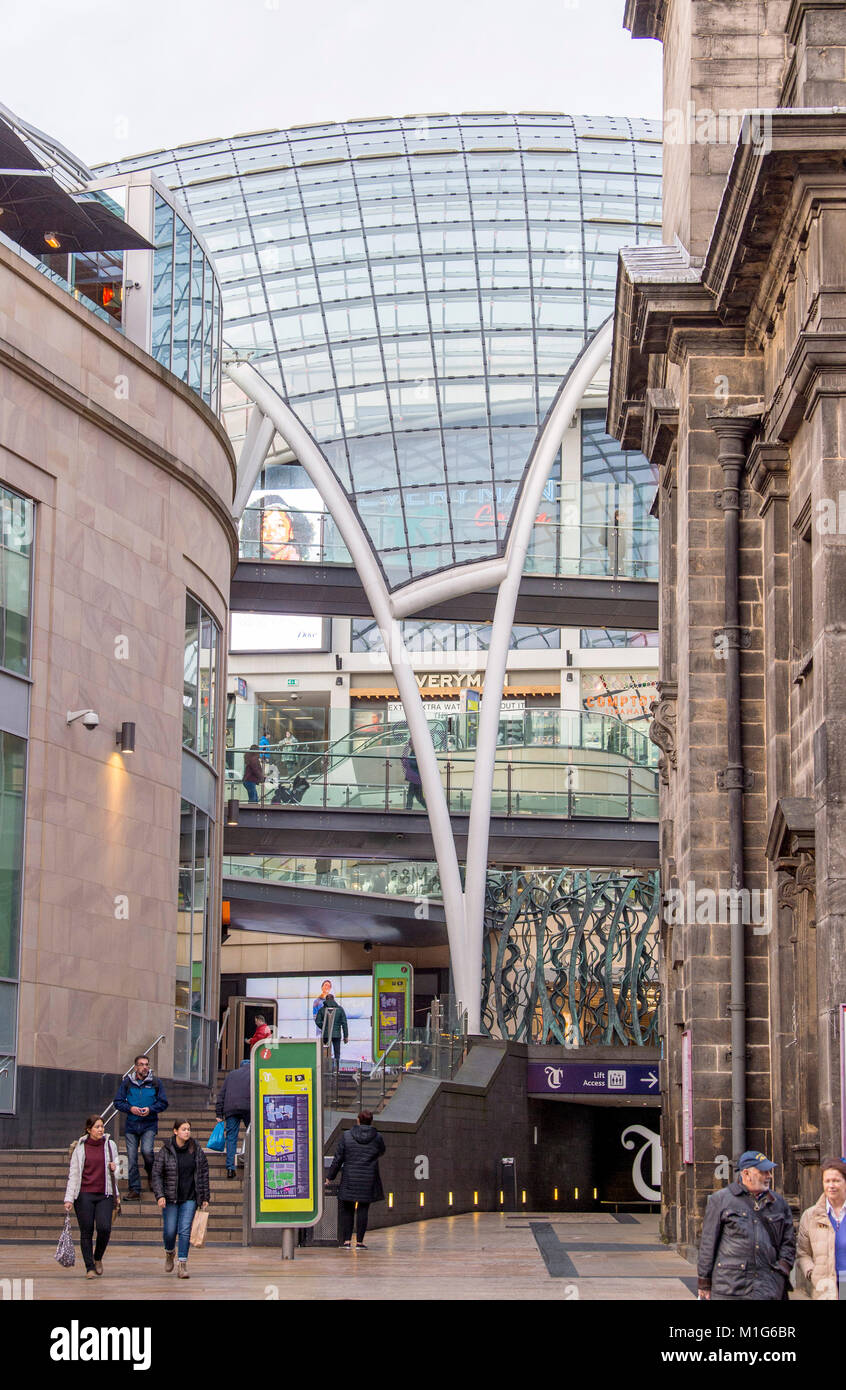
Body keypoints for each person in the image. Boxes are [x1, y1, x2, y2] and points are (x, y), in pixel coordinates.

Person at [697, 1150, 796, 1301]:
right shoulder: (721, 1200)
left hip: (768, 1286)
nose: (769, 1176)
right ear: (746, 1174)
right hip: (730, 1287)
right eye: (763, 1171)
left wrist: (783, 1268)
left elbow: (788, 1241)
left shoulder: (779, 1203)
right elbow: (708, 1243)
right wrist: (704, 1281)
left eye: (769, 1171)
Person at [152, 1119, 210, 1279]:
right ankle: (169, 1252)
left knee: (184, 1230)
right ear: (175, 1131)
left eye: (188, 1129)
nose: (187, 1132)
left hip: (190, 1197)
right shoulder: (166, 1150)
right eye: (184, 1129)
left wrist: (205, 1196)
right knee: (170, 1231)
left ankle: (182, 1264)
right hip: (170, 1198)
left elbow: (203, 1172)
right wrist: (160, 1195)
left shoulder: (195, 1148)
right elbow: (156, 1174)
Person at [63, 1115, 120, 1278]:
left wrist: (115, 1168)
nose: (101, 1129)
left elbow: (118, 1171)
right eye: (97, 1127)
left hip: (105, 1194)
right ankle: (89, 1267)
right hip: (84, 1195)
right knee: (86, 1231)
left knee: (104, 1228)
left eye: (102, 1126)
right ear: (89, 1130)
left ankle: (98, 1257)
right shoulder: (80, 1148)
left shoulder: (110, 1145)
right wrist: (68, 1198)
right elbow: (74, 1174)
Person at [326, 1109, 385, 1250]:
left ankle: (347, 1241)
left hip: (350, 1178)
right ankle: (359, 1242)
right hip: (368, 1178)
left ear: (358, 1120)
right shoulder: (377, 1137)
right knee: (363, 1210)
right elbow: (381, 1151)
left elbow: (338, 1158)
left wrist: (330, 1176)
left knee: (348, 1209)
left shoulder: (347, 1136)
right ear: (371, 1121)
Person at [113, 1054, 168, 1201]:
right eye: (142, 1064)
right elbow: (117, 1102)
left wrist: (151, 1109)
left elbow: (163, 1103)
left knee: (147, 1151)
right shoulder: (127, 1082)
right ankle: (134, 1189)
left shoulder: (156, 1082)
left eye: (147, 1064)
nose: (145, 1067)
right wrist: (130, 1108)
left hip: (149, 1124)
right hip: (131, 1125)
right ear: (135, 1067)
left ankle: (151, 1174)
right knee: (131, 1158)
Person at [797, 1156, 846, 1300]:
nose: (831, 1185)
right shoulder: (810, 1216)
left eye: (836, 1181)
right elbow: (802, 1253)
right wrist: (813, 1273)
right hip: (825, 1286)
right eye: (827, 1181)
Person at [216, 1059, 251, 1180]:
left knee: (231, 1138)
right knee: (253, 1135)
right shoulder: (253, 1073)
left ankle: (230, 1168)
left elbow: (221, 1094)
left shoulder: (231, 1075)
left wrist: (219, 1113)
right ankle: (252, 1163)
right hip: (248, 1107)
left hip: (231, 1108)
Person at [316, 993, 348, 1070]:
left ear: (326, 1000)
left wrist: (324, 1027)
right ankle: (336, 1070)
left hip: (326, 1035)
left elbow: (318, 1021)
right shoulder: (340, 1009)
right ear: (333, 999)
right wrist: (346, 1036)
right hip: (337, 1035)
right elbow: (344, 1023)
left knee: (326, 1053)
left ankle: (325, 1069)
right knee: (337, 1053)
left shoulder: (322, 1010)